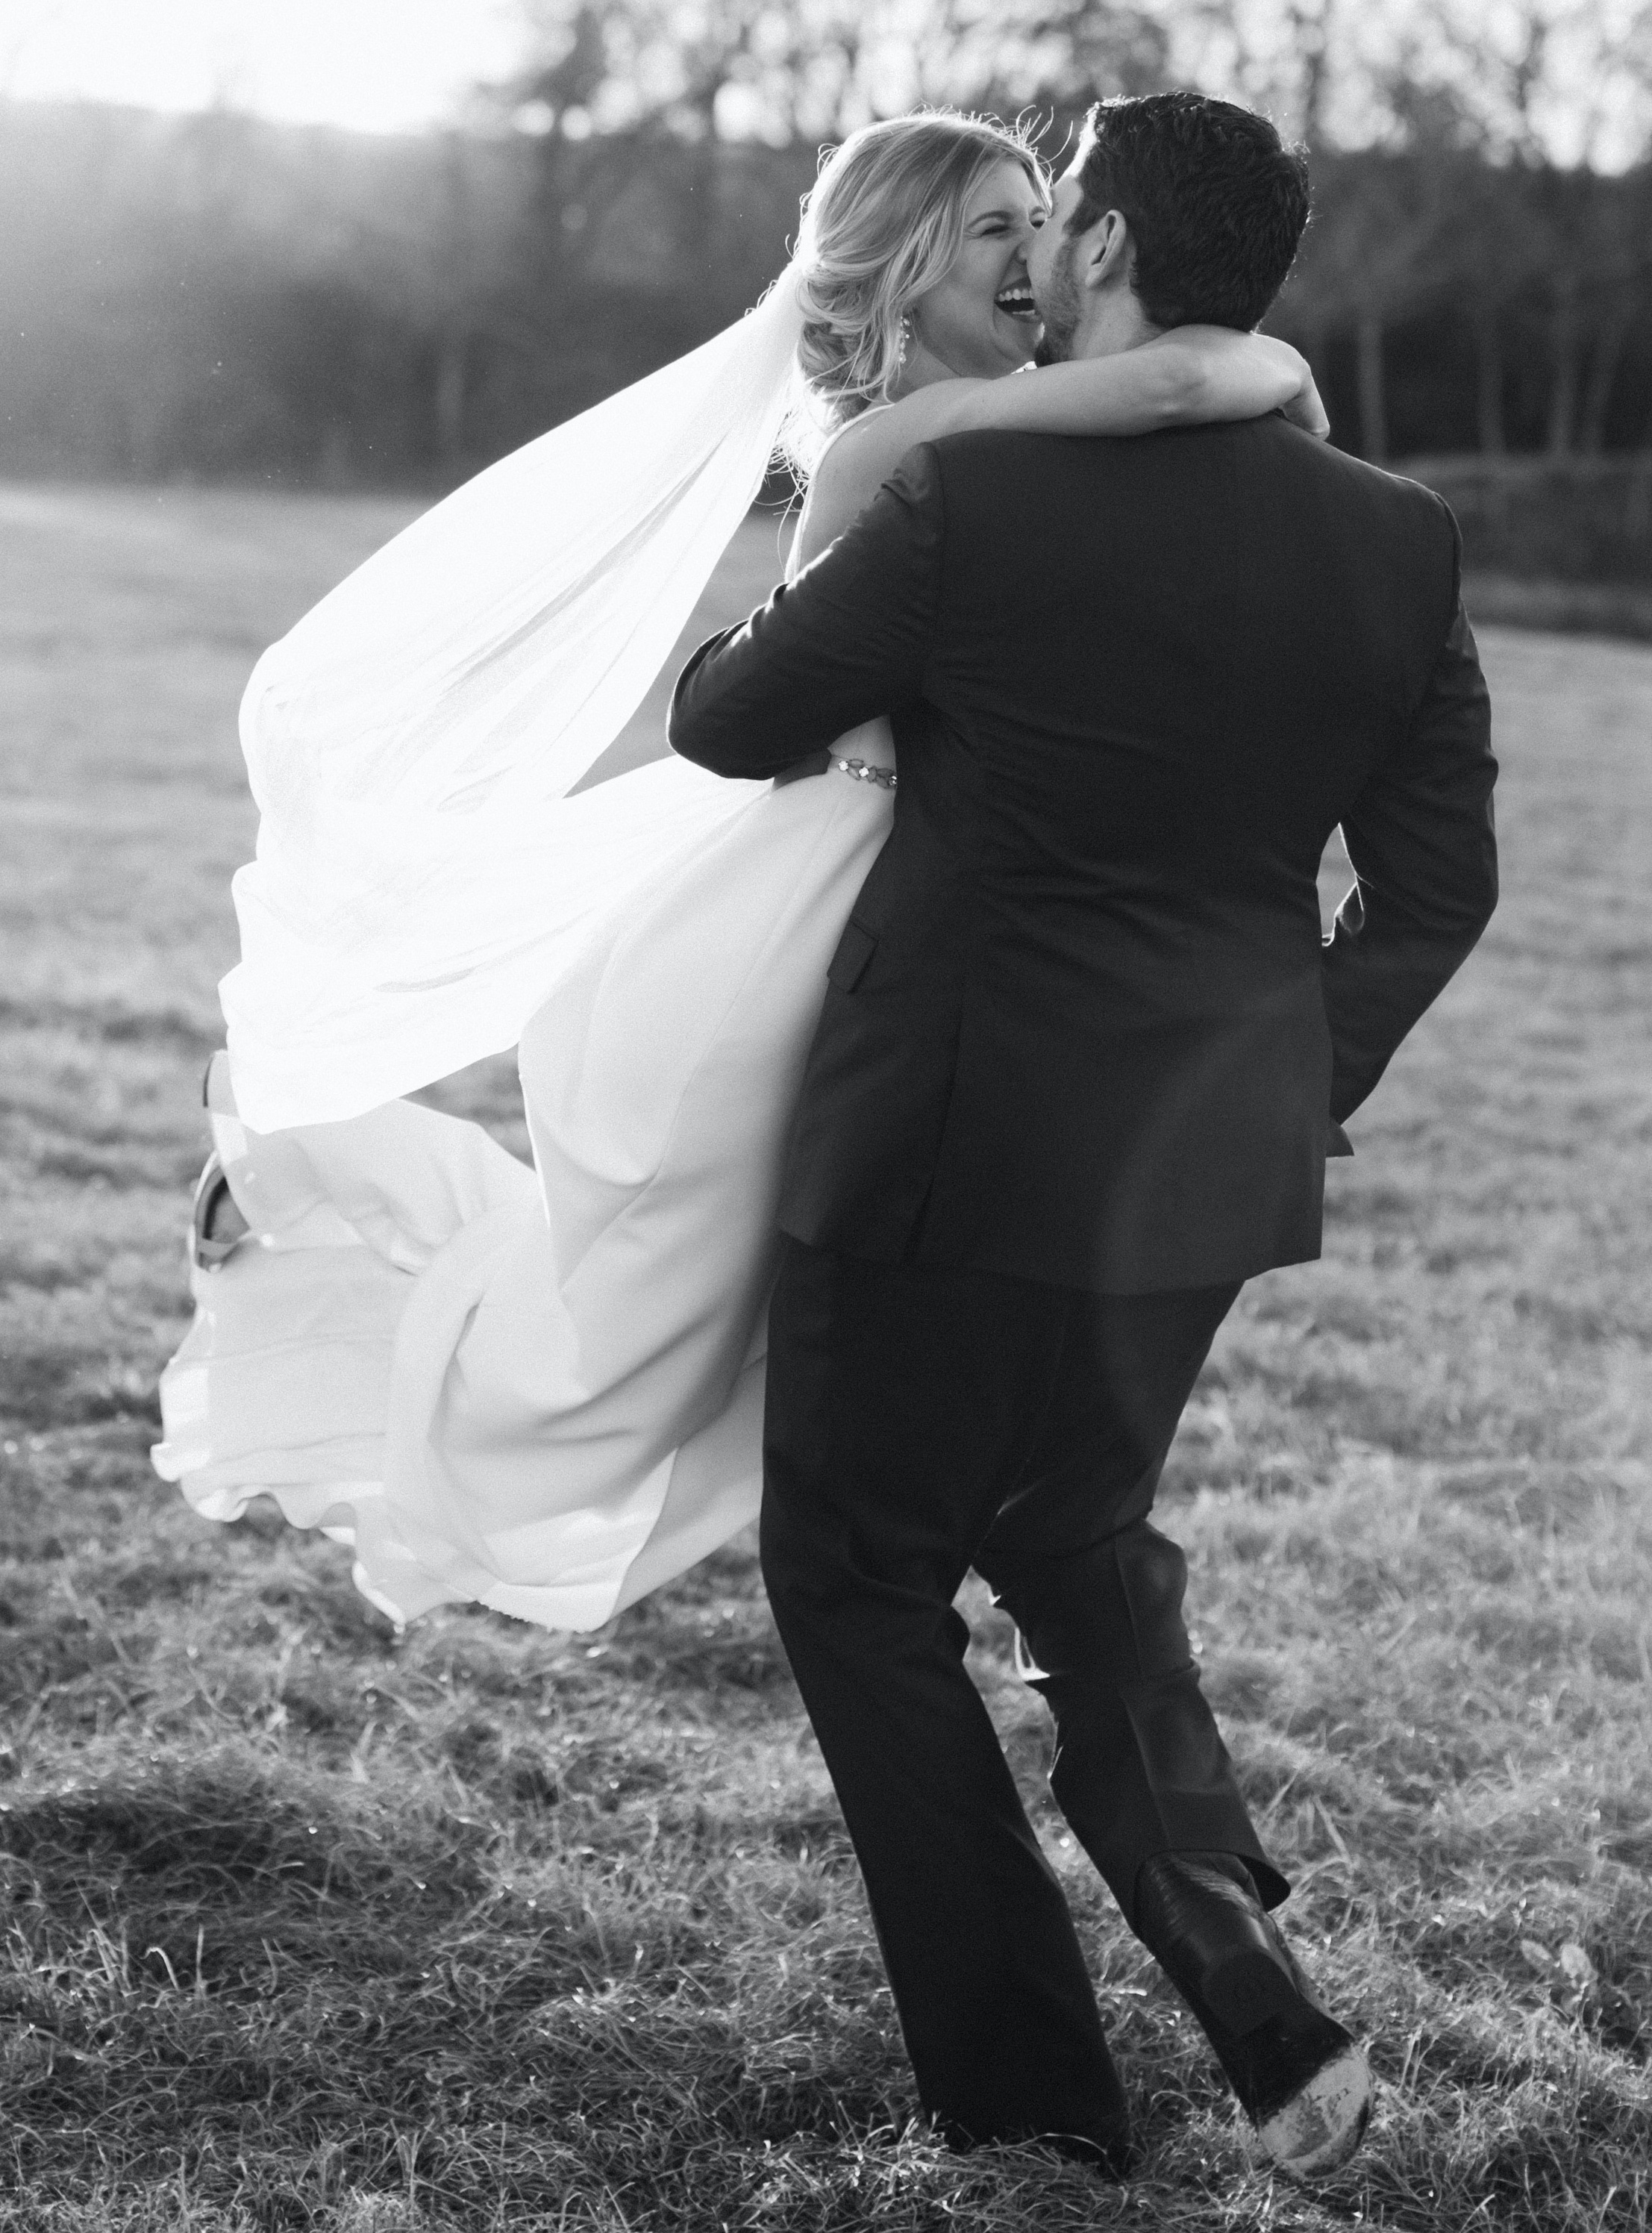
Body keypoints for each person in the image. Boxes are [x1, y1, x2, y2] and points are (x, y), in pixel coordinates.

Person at [155, 110, 1323, 1636]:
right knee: (592, 1383)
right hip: (764, 961)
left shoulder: (1025, 431)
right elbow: (1186, 376)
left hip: (863, 943)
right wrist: (1287, 367)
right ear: (900, 277)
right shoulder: (892, 447)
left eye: (1043, 220)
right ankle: (307, 1155)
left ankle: (349, 1166)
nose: (1035, 259)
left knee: (688, 1364)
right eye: (993, 231)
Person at [668, 90, 1497, 2182]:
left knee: (858, 1582)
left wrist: (818, 530)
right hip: (1202, 1171)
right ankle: (1266, 2025)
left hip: (939, 1153)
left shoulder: (967, 508)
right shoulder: (1395, 537)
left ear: (1105, 242)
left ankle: (1033, 2103)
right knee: (1068, 1546)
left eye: (1058, 222)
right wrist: (1285, 1075)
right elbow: (1433, 893)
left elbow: (726, 721)